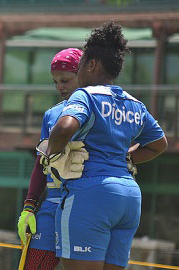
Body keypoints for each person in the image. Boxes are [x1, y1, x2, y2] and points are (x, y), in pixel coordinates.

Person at [42, 22, 167, 270]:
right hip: (128, 198)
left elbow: (65, 127)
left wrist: (52, 154)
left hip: (90, 195)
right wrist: (128, 159)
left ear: (91, 65)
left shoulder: (85, 95)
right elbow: (159, 144)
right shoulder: (134, 103)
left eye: (79, 67)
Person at [17, 48, 84, 270]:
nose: (60, 87)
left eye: (65, 80)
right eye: (55, 82)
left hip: (85, 204)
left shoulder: (99, 108)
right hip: (52, 205)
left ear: (82, 75)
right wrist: (29, 205)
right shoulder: (52, 114)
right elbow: (40, 162)